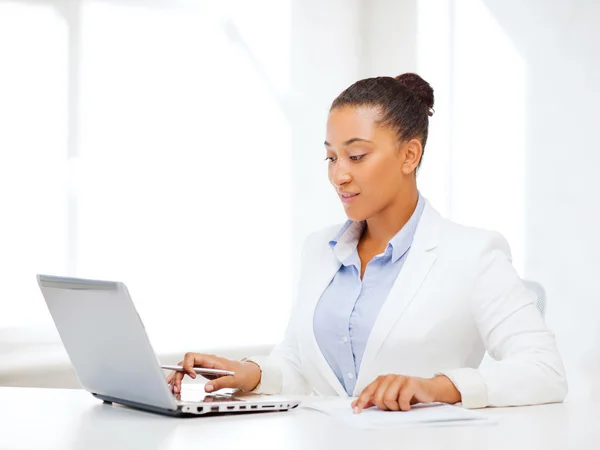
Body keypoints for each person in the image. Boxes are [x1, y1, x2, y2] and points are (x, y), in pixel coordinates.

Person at [167, 73, 567, 412]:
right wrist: (249, 374)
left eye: (356, 156)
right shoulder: (319, 250)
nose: (338, 175)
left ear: (409, 155)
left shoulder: (474, 254)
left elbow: (545, 370)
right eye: (331, 158)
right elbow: (300, 367)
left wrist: (439, 387)